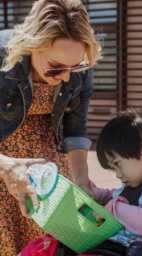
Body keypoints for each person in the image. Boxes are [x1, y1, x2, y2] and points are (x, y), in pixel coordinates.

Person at [0, 0, 102, 254]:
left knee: (49, 241)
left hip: (48, 165)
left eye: (75, 67)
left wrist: (81, 179)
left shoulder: (80, 66)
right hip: (4, 158)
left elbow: (75, 129)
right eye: (56, 68)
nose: (67, 76)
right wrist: (7, 166)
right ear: (31, 46)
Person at [18, 110, 142, 256]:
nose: (118, 175)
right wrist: (98, 194)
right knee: (47, 244)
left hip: (132, 249)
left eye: (117, 164)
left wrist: (114, 208)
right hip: (110, 242)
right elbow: (122, 196)